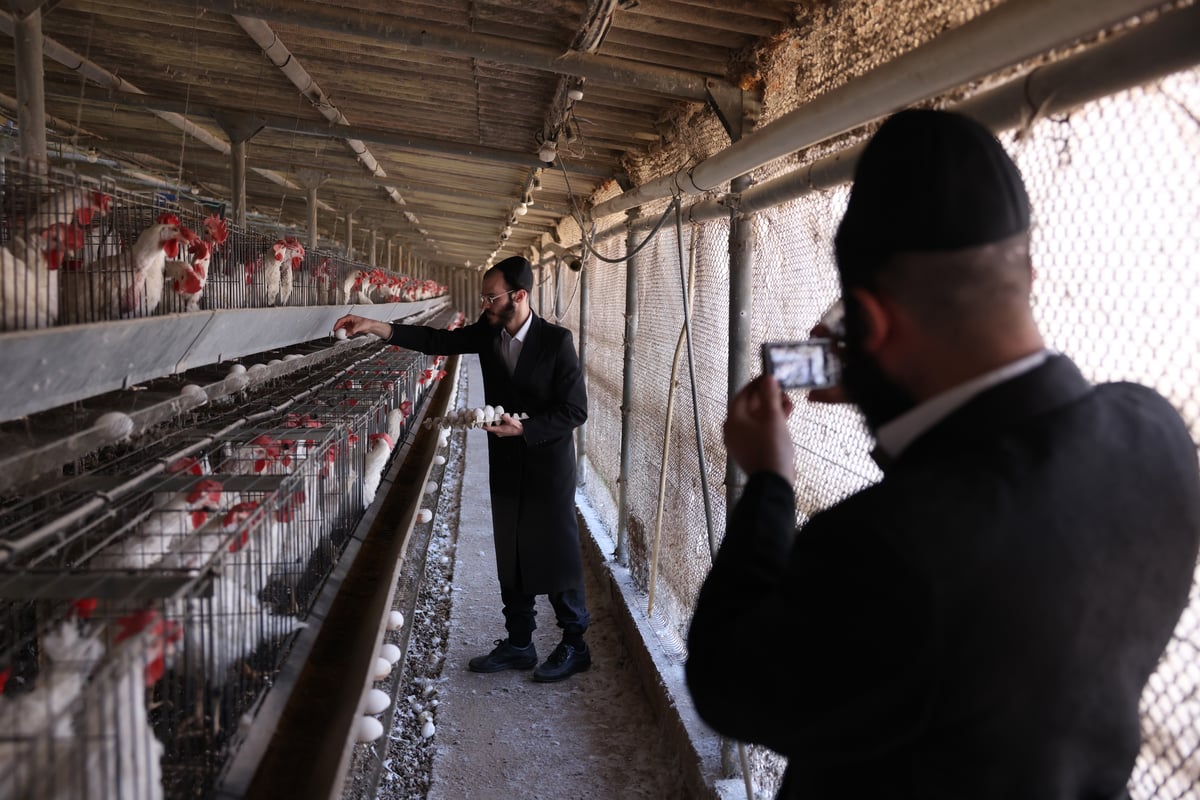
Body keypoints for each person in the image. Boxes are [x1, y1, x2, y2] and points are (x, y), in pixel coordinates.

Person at [685, 108, 1200, 798]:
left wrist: (770, 482)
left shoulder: (886, 550)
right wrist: (893, 389)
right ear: (1028, 274)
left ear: (870, 321)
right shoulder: (1154, 432)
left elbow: (728, 684)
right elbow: (987, 494)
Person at [334, 256, 591, 683]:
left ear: (520, 296)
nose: (486, 304)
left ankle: (574, 643)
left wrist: (525, 428)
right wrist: (376, 325)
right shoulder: (489, 333)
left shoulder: (556, 341)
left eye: (493, 297)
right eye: (484, 297)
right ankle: (520, 642)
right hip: (506, 459)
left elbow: (575, 410)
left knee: (555, 549)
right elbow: (437, 341)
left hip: (545, 461)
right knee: (511, 548)